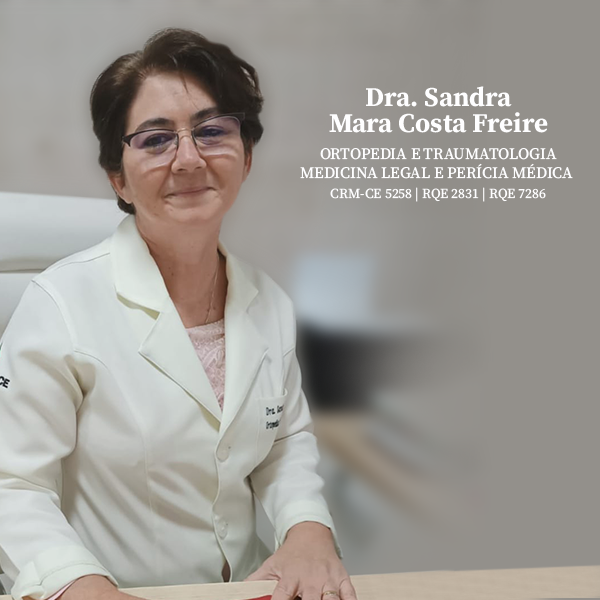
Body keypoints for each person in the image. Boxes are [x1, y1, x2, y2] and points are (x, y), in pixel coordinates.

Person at [0, 28, 357, 600]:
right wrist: (80, 584)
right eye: (156, 139)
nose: (189, 159)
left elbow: (283, 441)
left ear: (246, 156)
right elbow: (12, 483)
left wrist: (308, 529)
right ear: (118, 177)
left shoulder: (268, 302)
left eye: (212, 131)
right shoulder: (59, 305)